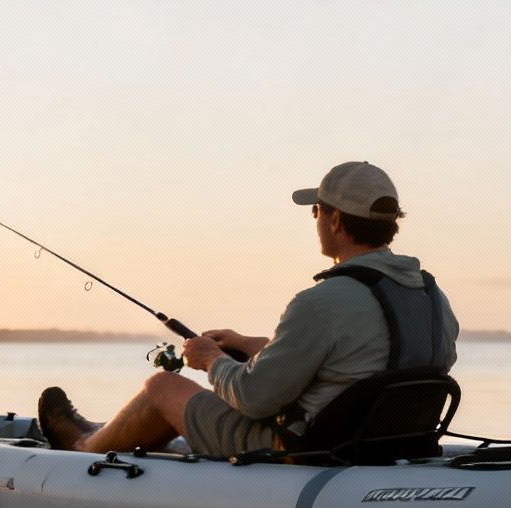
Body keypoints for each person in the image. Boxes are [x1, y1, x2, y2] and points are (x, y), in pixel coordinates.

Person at [36, 161, 458, 458]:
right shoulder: (431, 296)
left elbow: (254, 399)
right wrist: (246, 345)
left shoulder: (322, 301)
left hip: (304, 448)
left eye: (316, 209)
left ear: (333, 220)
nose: (314, 219)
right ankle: (106, 433)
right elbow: (363, 357)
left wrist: (212, 359)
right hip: (384, 442)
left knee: (161, 388)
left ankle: (80, 447)